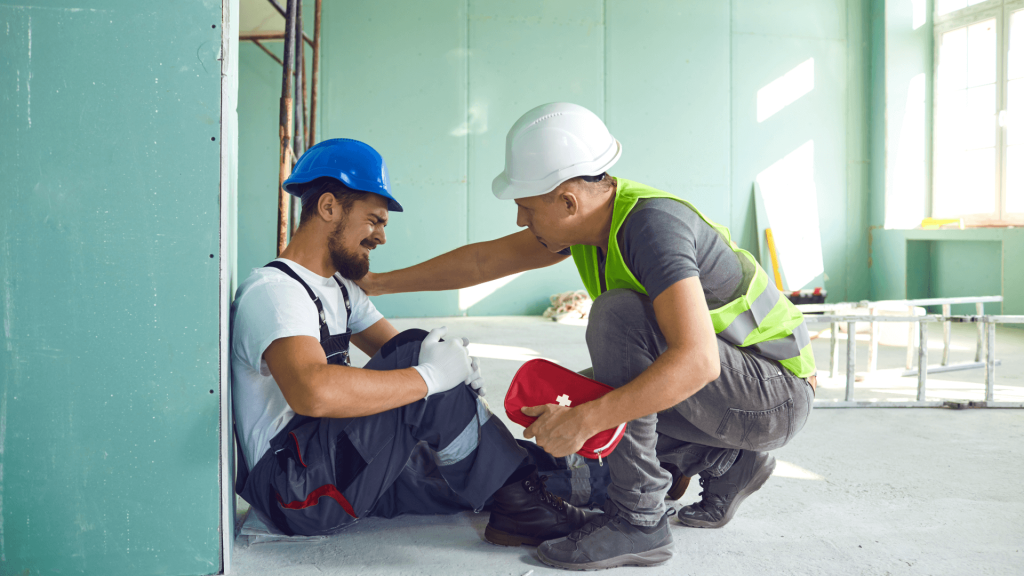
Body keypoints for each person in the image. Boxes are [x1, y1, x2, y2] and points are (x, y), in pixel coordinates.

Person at [355, 103, 818, 570]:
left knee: (615, 324)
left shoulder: (653, 229)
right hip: (739, 391)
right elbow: (483, 262)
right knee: (575, 403)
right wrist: (377, 284)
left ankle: (638, 523)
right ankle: (725, 461)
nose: (520, 221)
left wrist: (589, 419)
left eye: (526, 207)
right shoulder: (588, 225)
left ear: (568, 202)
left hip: (774, 393)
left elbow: (698, 361)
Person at [231, 138, 596, 544]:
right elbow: (312, 393)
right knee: (419, 359)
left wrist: (452, 368)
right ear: (329, 206)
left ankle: (598, 483)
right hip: (294, 488)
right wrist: (431, 377)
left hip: (339, 462)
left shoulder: (339, 288)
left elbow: (408, 349)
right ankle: (523, 512)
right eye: (374, 220)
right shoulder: (275, 291)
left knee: (468, 464)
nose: (381, 237)